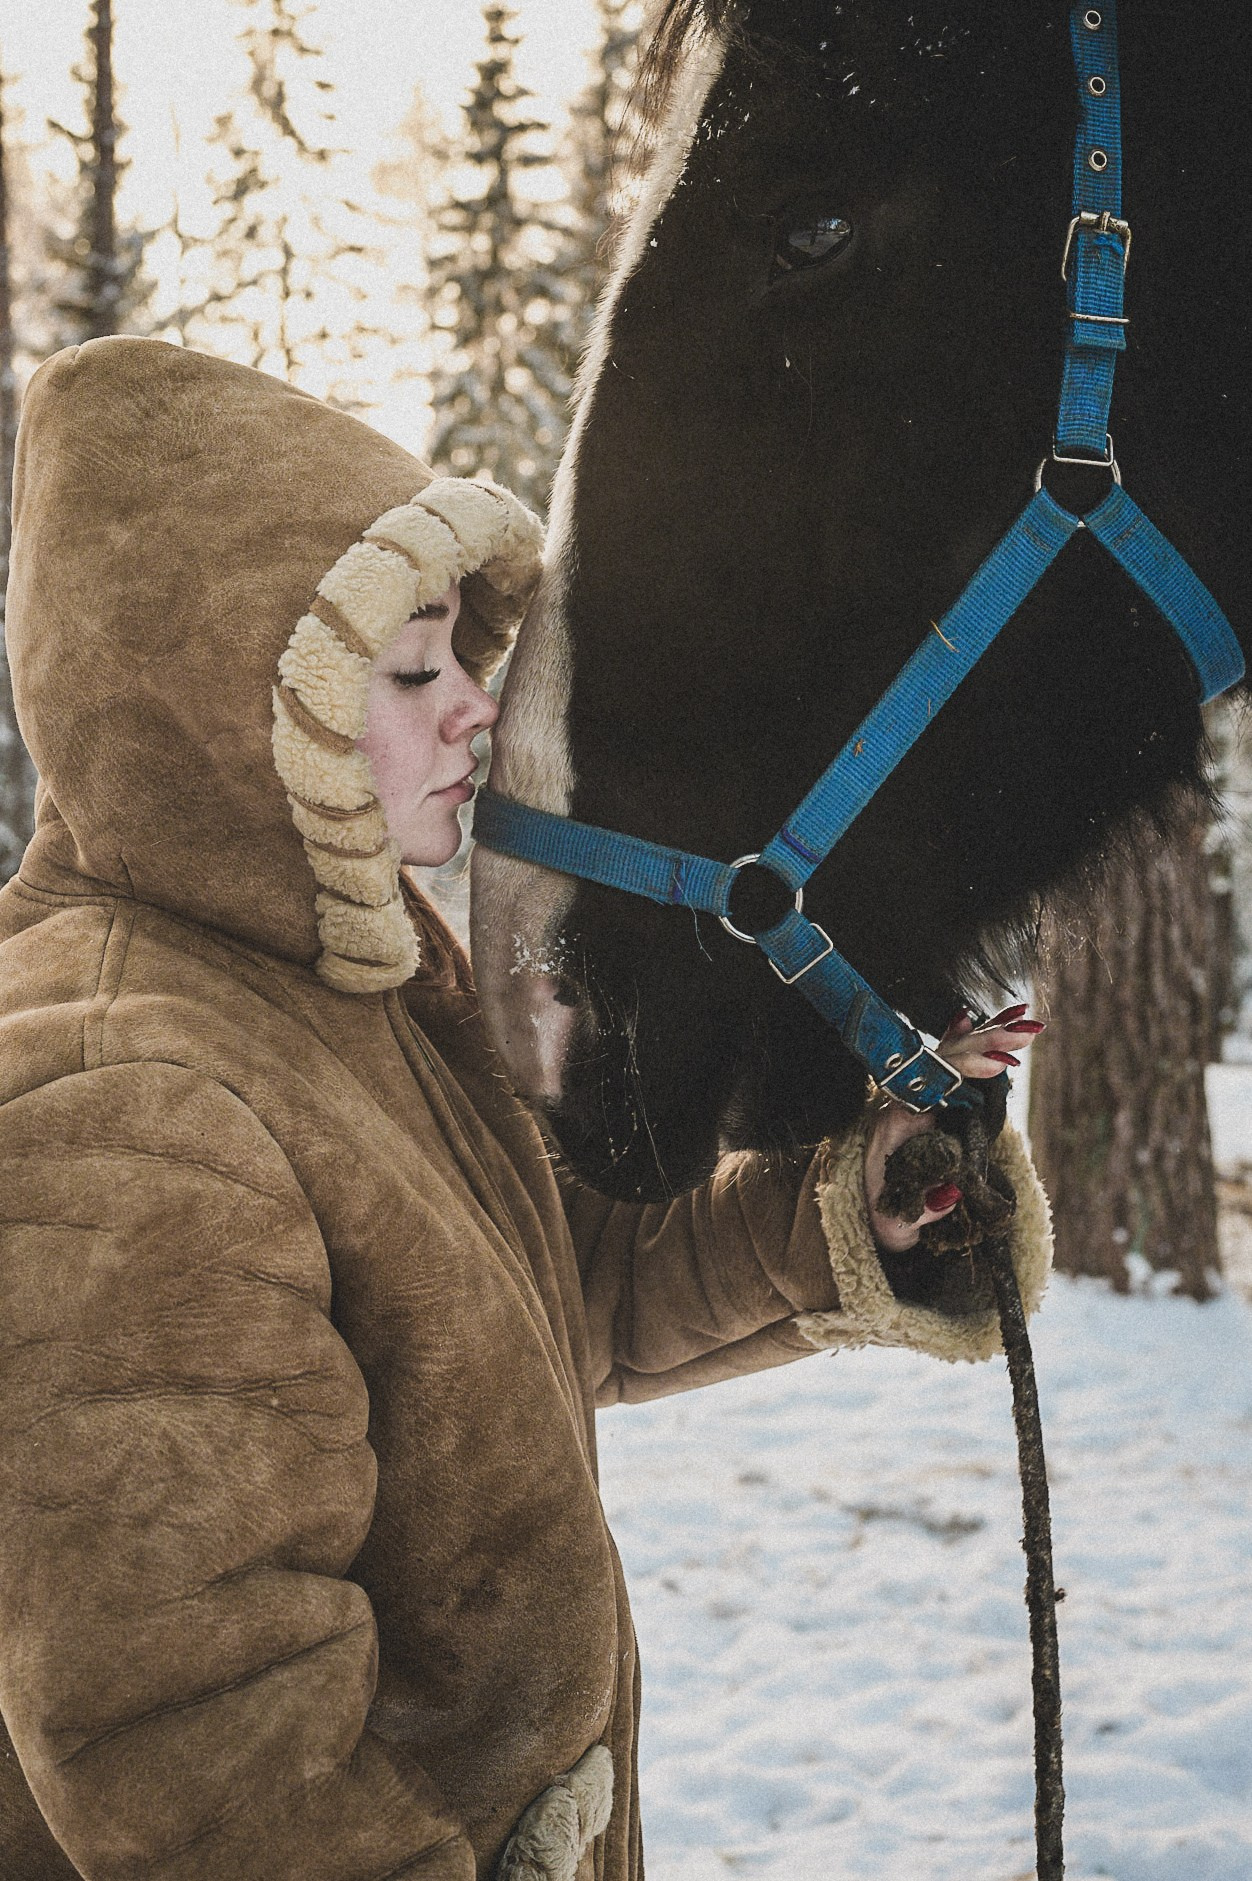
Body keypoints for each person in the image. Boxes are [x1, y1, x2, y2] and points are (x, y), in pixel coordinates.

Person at [0, 339, 1050, 1881]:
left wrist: (852, 1205)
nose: (475, 712)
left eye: (464, 661)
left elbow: (557, 1296)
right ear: (231, 718)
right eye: (411, 670)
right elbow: (207, 1754)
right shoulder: (122, 1092)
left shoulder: (331, 998)